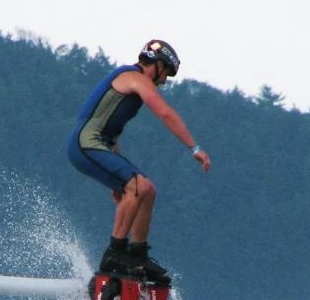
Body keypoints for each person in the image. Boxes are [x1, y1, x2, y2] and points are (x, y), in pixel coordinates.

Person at [66, 39, 210, 281]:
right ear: (157, 65)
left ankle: (137, 255)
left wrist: (117, 177)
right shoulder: (134, 77)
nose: (164, 81)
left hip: (100, 145)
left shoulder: (132, 85)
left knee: (148, 190)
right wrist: (194, 148)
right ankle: (114, 254)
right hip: (85, 145)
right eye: (167, 74)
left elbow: (111, 132)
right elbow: (164, 112)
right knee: (136, 186)